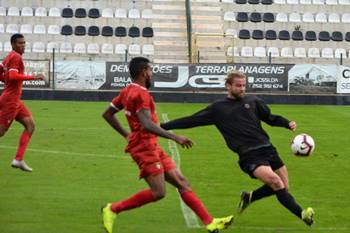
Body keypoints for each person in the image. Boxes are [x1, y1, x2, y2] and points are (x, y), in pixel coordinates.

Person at [161, 70, 315, 226]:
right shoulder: (218, 109)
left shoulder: (253, 101)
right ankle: (302, 214)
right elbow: (191, 120)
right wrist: (162, 127)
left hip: (268, 149)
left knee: (284, 186)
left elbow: (270, 118)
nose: (242, 89)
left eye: (244, 85)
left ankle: (249, 197)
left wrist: (287, 123)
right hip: (249, 155)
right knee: (276, 182)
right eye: (238, 86)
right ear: (228, 86)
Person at [101, 57, 233, 233]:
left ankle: (210, 222)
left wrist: (127, 135)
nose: (151, 73)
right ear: (143, 72)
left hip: (151, 146)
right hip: (144, 149)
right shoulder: (141, 94)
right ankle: (112, 209)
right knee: (158, 192)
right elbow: (147, 124)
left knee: (182, 182)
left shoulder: (127, 91)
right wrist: (175, 137)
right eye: (150, 70)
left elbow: (108, 114)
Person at [0, 33, 44, 172]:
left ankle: (18, 159)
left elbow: (4, 74)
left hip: (15, 100)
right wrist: (34, 77)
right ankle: (18, 159)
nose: (23, 45)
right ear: (13, 44)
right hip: (10, 101)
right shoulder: (16, 57)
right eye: (20, 43)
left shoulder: (8, 57)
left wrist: (6, 81)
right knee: (1, 132)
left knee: (30, 126)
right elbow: (13, 76)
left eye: (24, 43)